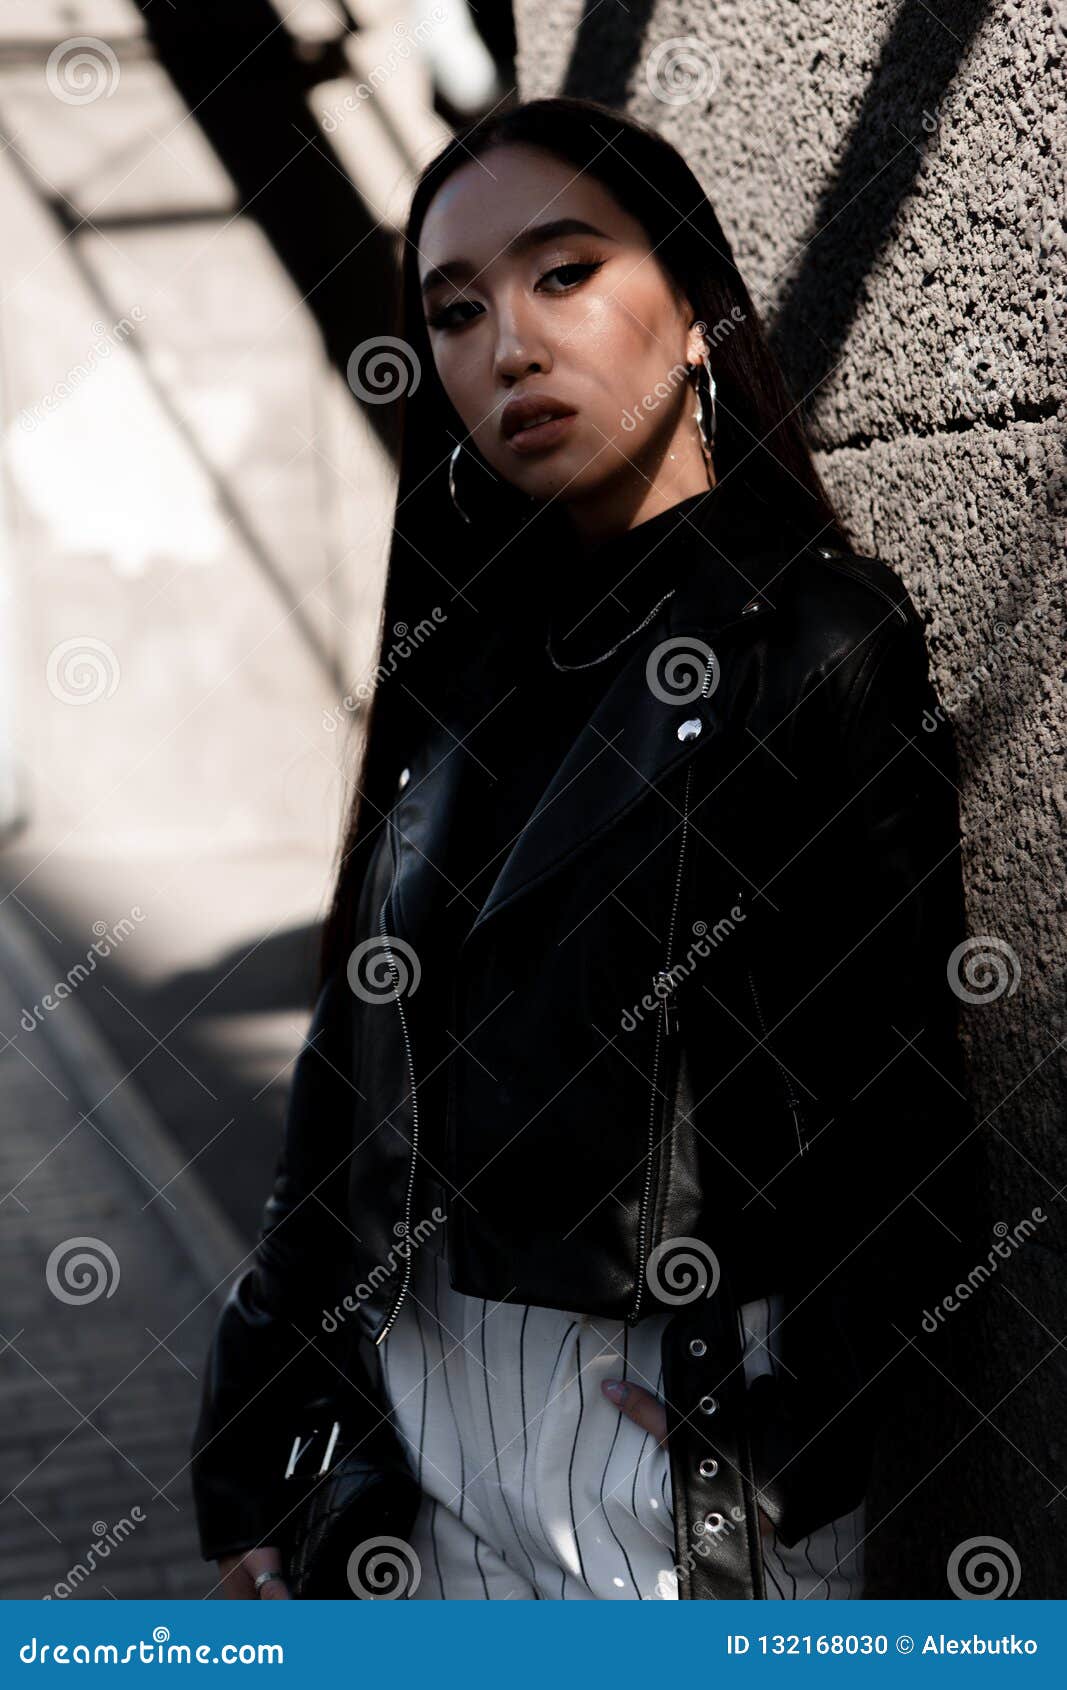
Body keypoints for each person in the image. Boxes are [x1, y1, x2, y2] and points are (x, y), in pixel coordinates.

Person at [191, 95, 975, 1600]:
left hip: (656, 1437)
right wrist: (262, 1413)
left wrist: (779, 1445)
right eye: (455, 309)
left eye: (564, 273)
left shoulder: (809, 642)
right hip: (413, 1434)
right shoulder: (460, 674)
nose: (507, 343)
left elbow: (910, 1122)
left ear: (693, 312)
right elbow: (347, 1077)